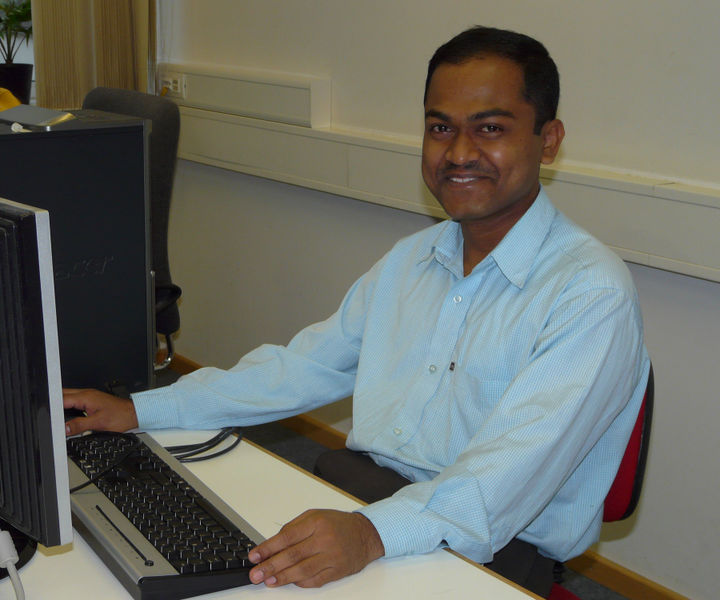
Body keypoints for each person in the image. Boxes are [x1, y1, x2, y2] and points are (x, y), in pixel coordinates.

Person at [64, 26, 650, 597]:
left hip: (493, 548)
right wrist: (141, 408)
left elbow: (502, 481)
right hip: (368, 497)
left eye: (490, 128)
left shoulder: (590, 293)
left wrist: (371, 533)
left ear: (548, 141)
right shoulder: (412, 260)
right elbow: (302, 368)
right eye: (440, 128)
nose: (459, 152)